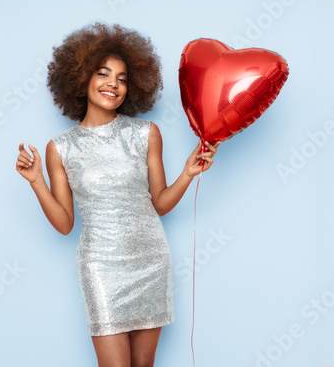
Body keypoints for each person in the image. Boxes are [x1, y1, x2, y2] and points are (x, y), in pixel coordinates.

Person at [15, 22, 219, 367]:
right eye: (103, 73)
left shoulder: (146, 134)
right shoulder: (60, 149)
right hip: (100, 267)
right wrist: (36, 181)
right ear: (81, 78)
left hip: (151, 261)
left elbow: (160, 204)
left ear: (133, 86)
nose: (113, 84)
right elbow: (65, 224)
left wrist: (187, 173)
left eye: (122, 78)